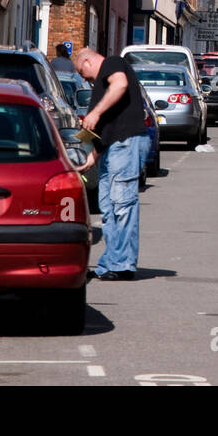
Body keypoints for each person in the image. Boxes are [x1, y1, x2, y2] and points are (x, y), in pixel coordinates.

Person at [75, 46, 148, 280]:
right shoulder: (101, 90)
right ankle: (110, 263)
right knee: (108, 207)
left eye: (83, 74)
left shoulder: (113, 63)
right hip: (111, 148)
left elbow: (121, 84)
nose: (85, 80)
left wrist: (95, 113)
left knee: (122, 204)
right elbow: (103, 131)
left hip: (125, 143)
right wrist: (89, 160)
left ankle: (123, 264)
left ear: (87, 62)